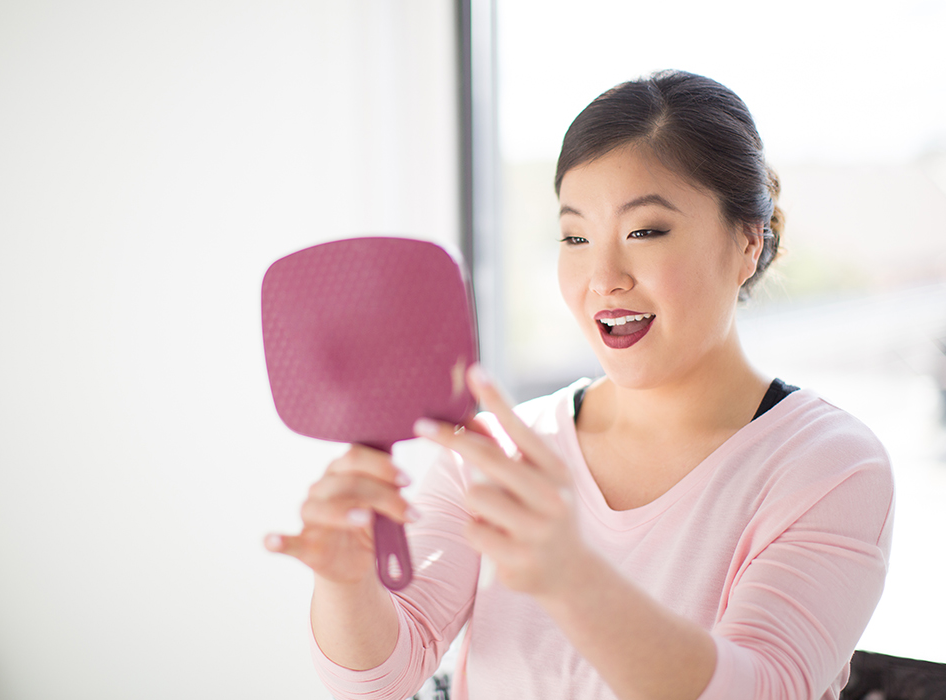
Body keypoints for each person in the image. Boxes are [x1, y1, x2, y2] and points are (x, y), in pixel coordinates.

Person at [264, 69, 894, 700]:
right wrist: (348, 583)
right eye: (575, 237)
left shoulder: (828, 466)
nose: (603, 276)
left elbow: (766, 688)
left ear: (748, 243)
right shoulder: (502, 456)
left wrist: (573, 580)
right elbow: (381, 678)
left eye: (645, 231)